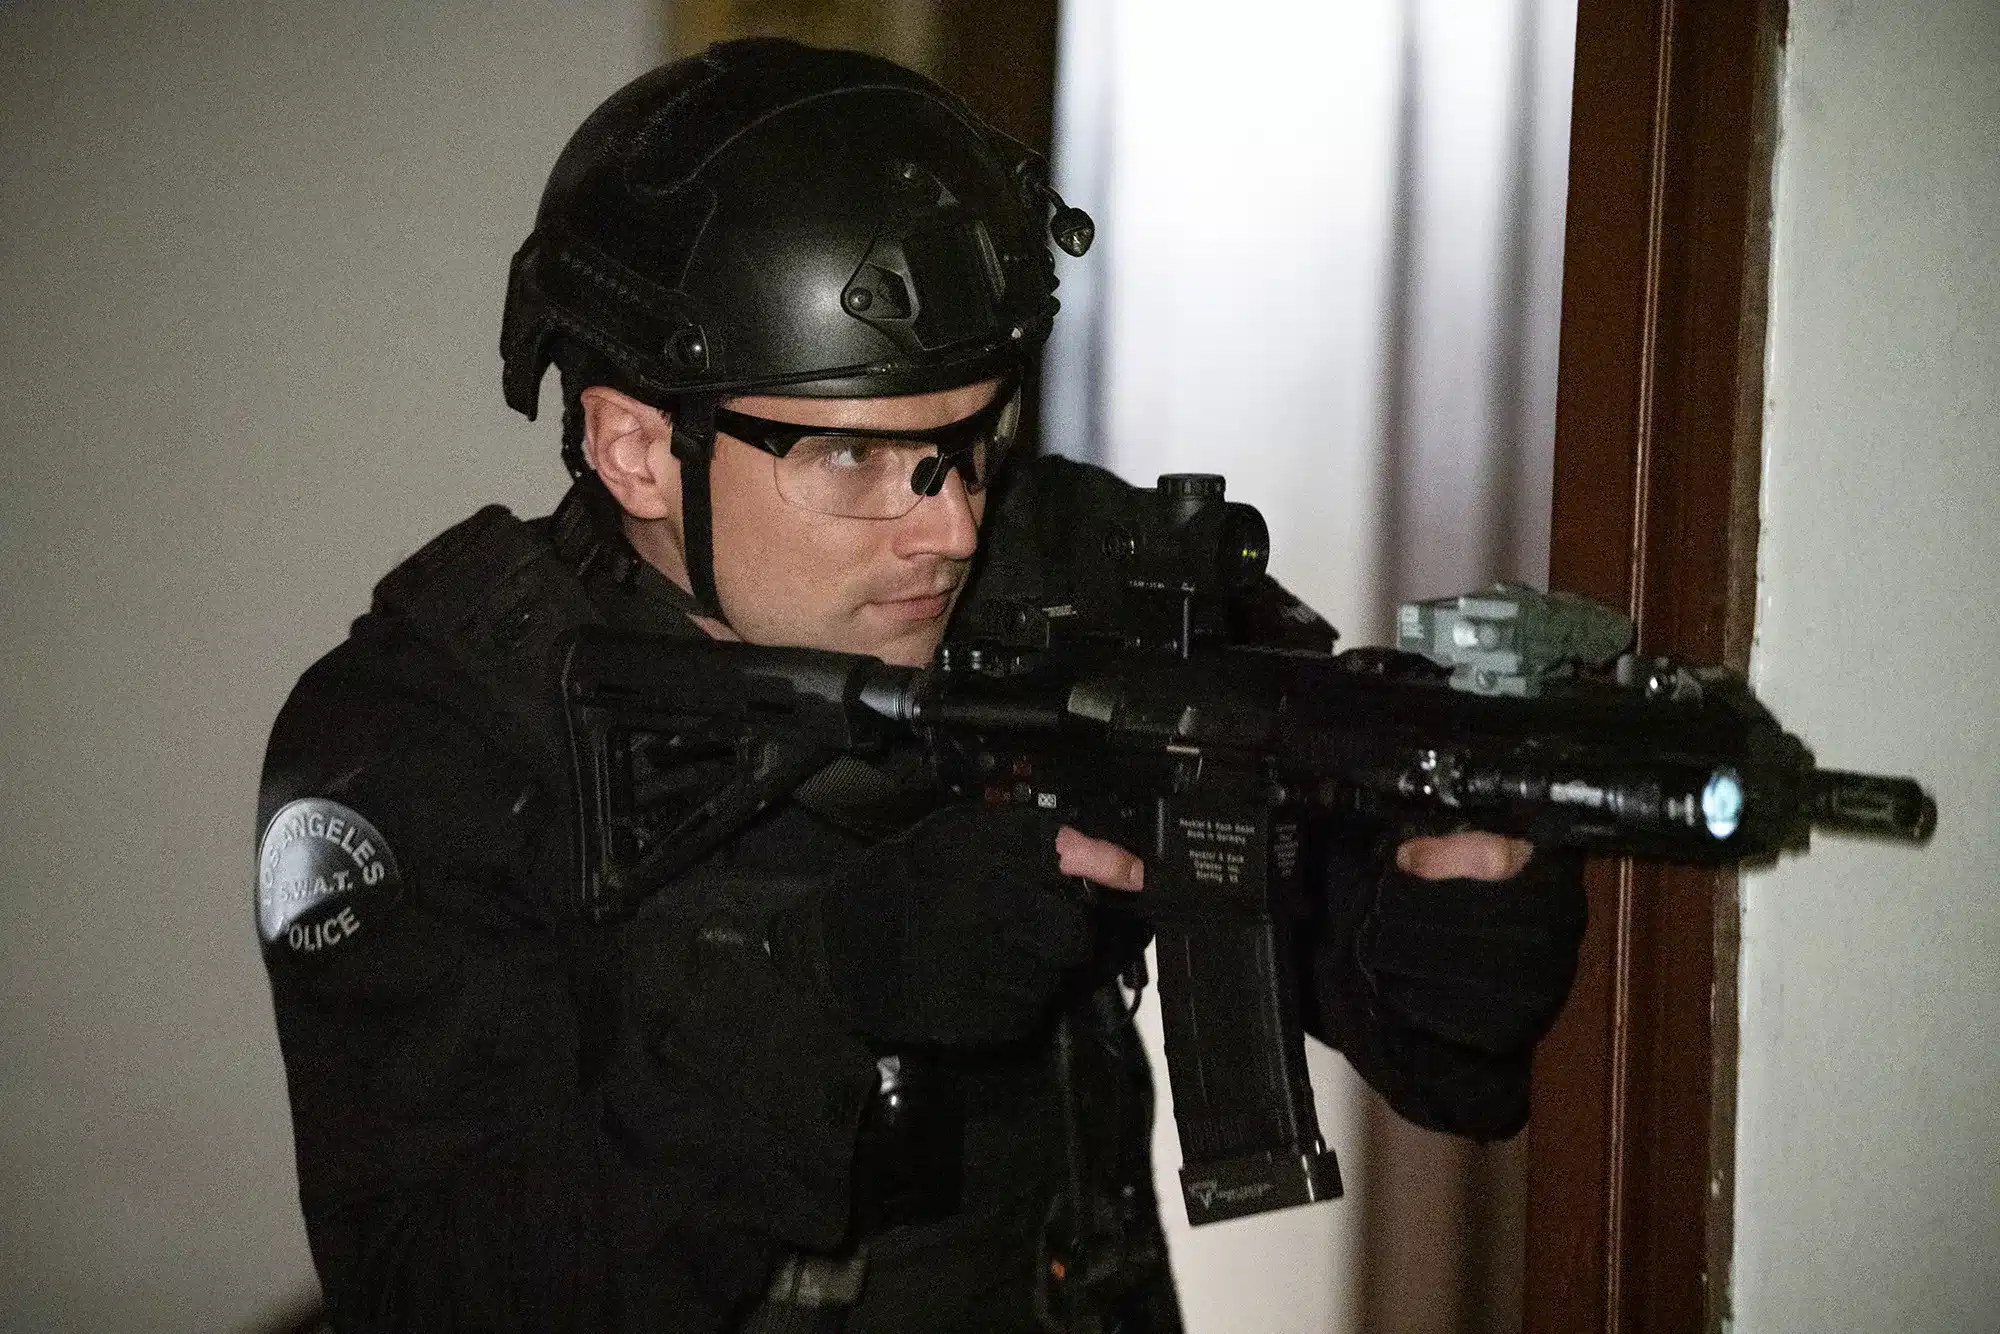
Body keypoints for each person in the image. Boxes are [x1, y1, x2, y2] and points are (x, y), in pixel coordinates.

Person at [255, 38, 1585, 1333]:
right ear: (637, 452)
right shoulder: (437, 740)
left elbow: (1409, 1018)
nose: (948, 528)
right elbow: (436, 1292)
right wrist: (822, 991)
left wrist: (1443, 916)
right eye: (855, 460)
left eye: (972, 438)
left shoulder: (1068, 577)